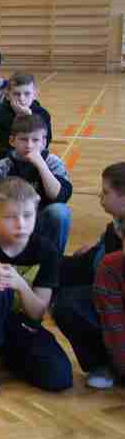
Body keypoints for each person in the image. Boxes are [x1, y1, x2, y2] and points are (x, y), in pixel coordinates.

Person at [0, 178, 72, 394]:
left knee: (58, 376)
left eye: (28, 215)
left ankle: (1, 351)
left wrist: (21, 285)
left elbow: (37, 314)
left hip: (21, 325)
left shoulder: (46, 251)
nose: (21, 224)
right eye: (10, 217)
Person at [52, 162, 125, 390]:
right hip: (95, 266)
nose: (100, 196)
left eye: (106, 192)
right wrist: (96, 247)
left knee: (67, 305)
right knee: (52, 268)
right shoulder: (117, 223)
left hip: (107, 284)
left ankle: (102, 364)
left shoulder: (115, 261)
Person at [0, 114, 72, 254]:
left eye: (35, 140)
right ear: (12, 141)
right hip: (12, 220)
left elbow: (59, 197)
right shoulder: (2, 167)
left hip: (41, 220)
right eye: (23, 139)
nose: (29, 145)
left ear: (44, 142)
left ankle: (54, 258)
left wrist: (41, 165)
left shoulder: (53, 163)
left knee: (60, 211)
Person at [0, 73, 52, 161]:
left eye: (27, 94)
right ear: (7, 95)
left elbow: (45, 142)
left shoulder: (43, 114)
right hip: (6, 159)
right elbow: (1, 143)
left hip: (35, 157)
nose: (22, 98)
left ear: (35, 95)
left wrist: (29, 117)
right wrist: (18, 118)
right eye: (16, 94)